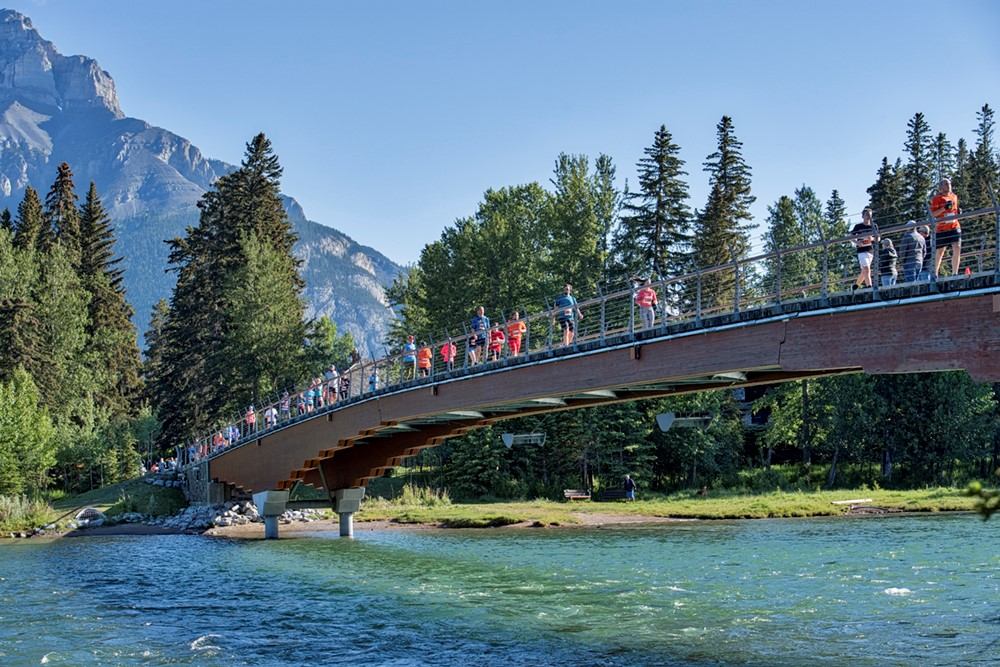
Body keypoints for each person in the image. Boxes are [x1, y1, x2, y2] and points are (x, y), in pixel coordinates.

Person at [931, 178, 961, 276]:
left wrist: (958, 212)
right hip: (942, 229)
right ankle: (935, 273)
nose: (949, 186)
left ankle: (955, 272)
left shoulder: (954, 197)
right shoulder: (936, 199)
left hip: (954, 226)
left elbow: (954, 210)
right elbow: (933, 214)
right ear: (941, 187)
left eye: (949, 184)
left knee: (957, 247)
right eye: (946, 184)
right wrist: (944, 208)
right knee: (940, 251)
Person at [850, 208, 876, 291]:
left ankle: (856, 285)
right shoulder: (858, 226)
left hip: (870, 251)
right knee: (867, 269)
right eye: (867, 215)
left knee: (864, 271)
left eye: (870, 216)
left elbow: (878, 238)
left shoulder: (874, 226)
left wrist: (872, 239)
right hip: (861, 251)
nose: (868, 217)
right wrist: (857, 243)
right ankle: (870, 287)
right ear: (863, 216)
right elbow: (850, 236)